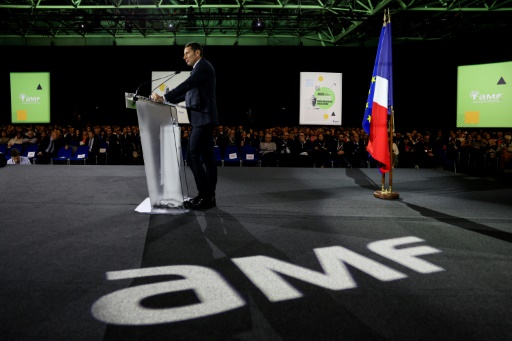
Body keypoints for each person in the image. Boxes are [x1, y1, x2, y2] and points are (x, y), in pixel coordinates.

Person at [151, 42, 218, 210]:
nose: (184, 56)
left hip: (202, 119)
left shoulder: (202, 66)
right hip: (203, 118)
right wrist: (167, 100)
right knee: (208, 159)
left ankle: (205, 196)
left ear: (197, 52)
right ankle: (209, 197)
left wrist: (164, 97)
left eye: (187, 53)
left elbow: (187, 85)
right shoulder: (200, 69)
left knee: (192, 155)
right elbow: (188, 93)